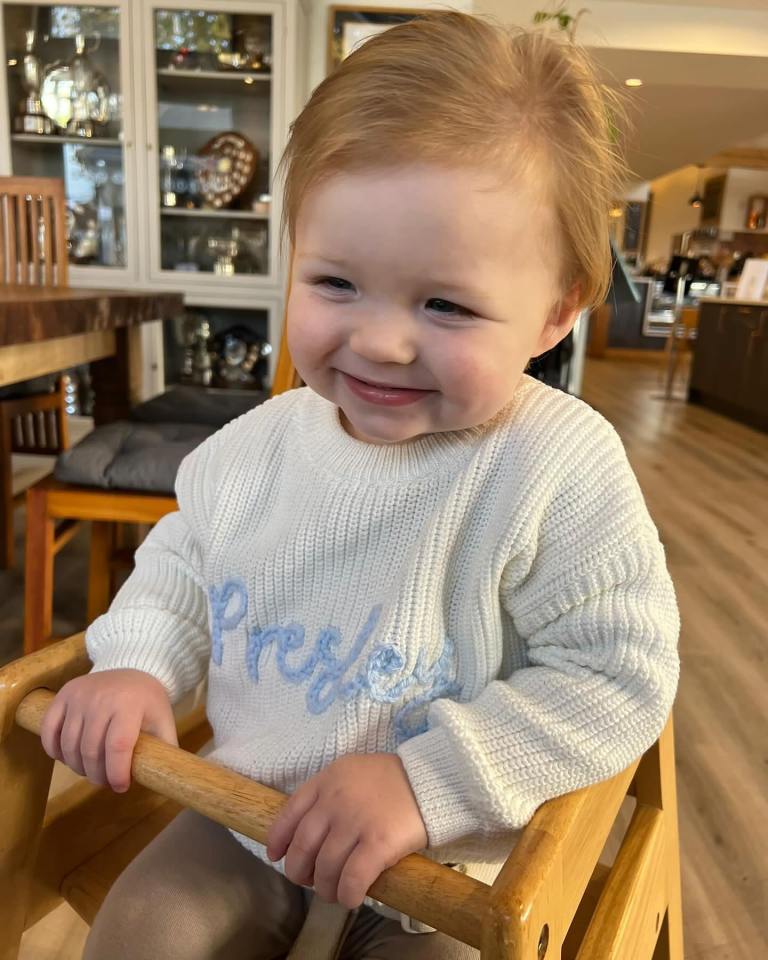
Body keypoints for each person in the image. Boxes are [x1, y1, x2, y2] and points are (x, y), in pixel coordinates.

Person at [40, 11, 680, 959]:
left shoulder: (555, 465)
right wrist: (138, 660)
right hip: (247, 820)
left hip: (449, 861)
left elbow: (616, 671)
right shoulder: (257, 446)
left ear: (556, 310)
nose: (379, 340)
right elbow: (183, 561)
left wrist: (428, 782)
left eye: (446, 303)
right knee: (138, 935)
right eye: (336, 283)